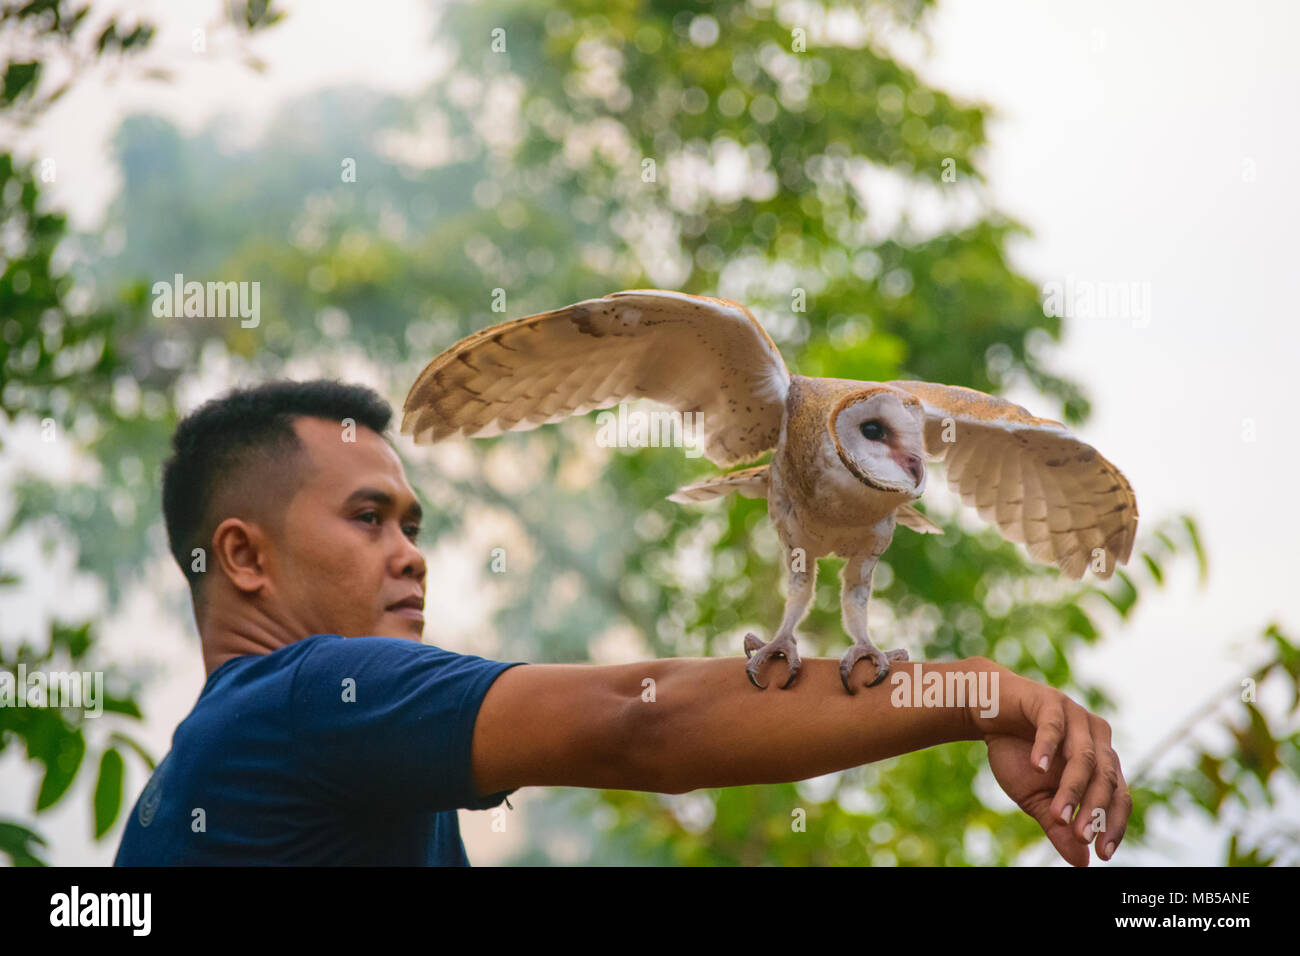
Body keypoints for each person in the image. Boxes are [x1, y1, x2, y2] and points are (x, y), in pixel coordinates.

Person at [114, 379, 1131, 866]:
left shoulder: (183, 790)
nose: (411, 551)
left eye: (415, 523)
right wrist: (973, 691)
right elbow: (637, 720)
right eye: (368, 518)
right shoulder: (305, 698)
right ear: (241, 555)